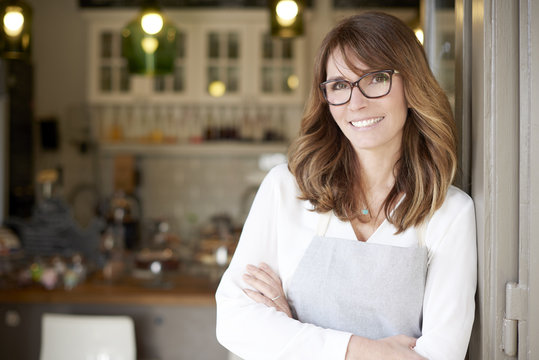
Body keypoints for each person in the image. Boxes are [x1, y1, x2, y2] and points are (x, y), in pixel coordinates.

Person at [215, 11, 477, 360]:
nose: (356, 101)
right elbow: (234, 320)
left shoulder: (450, 213)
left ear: (411, 85)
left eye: (375, 78)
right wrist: (365, 350)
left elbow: (440, 355)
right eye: (339, 85)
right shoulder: (286, 189)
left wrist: (288, 326)